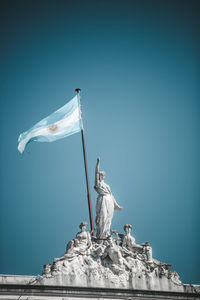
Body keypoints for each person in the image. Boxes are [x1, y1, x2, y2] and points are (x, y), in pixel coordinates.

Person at [94, 157, 122, 239]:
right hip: (102, 199)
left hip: (109, 200)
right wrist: (97, 164)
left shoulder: (107, 186)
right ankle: (100, 234)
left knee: (109, 218)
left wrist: (116, 205)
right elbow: (95, 173)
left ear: (104, 176)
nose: (101, 176)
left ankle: (106, 233)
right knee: (103, 216)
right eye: (100, 175)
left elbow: (111, 195)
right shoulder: (98, 183)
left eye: (102, 175)